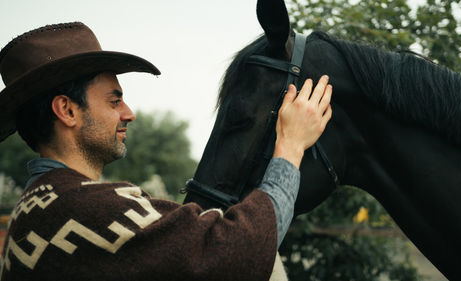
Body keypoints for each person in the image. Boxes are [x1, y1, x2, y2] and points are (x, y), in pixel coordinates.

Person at [0, 22, 332, 281]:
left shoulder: (34, 210)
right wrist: (290, 146)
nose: (128, 113)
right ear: (67, 111)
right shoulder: (86, 209)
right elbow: (238, 252)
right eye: (114, 100)